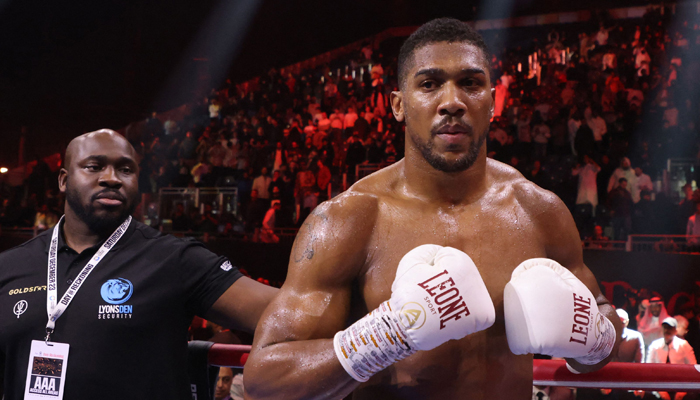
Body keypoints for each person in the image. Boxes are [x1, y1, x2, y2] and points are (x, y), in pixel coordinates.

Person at [244, 18, 621, 400]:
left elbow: (605, 335)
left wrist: (595, 337)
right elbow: (267, 378)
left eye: (470, 83)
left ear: (491, 101)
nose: (453, 101)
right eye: (429, 84)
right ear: (398, 105)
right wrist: (386, 334)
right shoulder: (350, 219)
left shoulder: (538, 210)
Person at [0, 130, 277, 400]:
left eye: (125, 170)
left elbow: (289, 312)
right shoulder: (10, 266)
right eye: (94, 166)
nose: (111, 179)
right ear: (63, 180)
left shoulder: (175, 260)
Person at [646, 318, 696, 400]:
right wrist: (660, 391)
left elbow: (693, 370)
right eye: (665, 328)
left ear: (675, 330)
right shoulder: (654, 346)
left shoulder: (684, 345)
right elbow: (648, 371)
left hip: (680, 386)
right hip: (659, 386)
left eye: (670, 328)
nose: (666, 330)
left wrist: (682, 391)